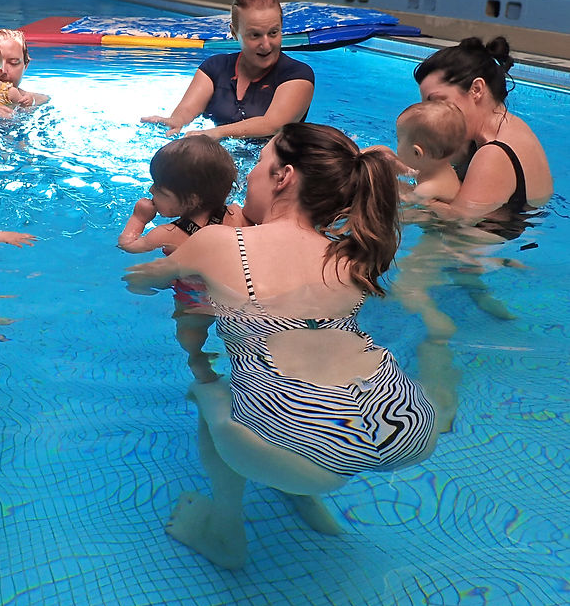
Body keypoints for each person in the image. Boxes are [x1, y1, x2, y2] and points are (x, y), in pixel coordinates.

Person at [124, 123, 439, 569]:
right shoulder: (351, 254)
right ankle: (303, 492)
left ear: (283, 176)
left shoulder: (216, 241)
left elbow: (141, 282)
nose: (249, 176)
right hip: (406, 421)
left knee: (210, 389)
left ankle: (225, 531)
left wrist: (163, 261)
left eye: (258, 164)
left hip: (297, 444)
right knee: (299, 373)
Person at [118, 135, 247, 381]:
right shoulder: (239, 214)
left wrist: (138, 218)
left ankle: (197, 359)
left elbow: (128, 246)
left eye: (159, 188)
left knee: (189, 332)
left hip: (196, 298)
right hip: (237, 294)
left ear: (191, 200)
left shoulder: (168, 233)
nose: (151, 190)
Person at [141, 0, 314, 139]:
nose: (266, 44)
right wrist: (175, 121)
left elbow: (273, 125)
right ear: (234, 32)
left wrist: (216, 133)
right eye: (255, 35)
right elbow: (187, 109)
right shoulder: (215, 68)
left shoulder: (297, 75)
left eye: (274, 33)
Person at [413, 36, 552, 228]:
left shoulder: (494, 153)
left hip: (491, 249)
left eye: (436, 101)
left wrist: (410, 198)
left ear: (476, 89)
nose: (428, 113)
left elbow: (456, 224)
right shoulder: (507, 127)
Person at [395, 100, 467, 204]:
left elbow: (407, 202)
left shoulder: (427, 189)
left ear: (417, 153)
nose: (397, 142)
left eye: (398, 139)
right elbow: (413, 172)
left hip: (440, 219)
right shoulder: (438, 166)